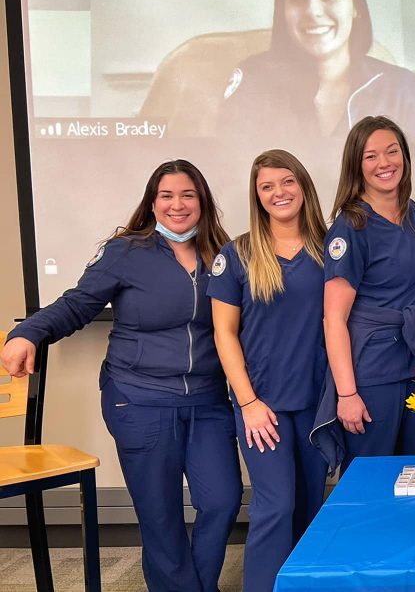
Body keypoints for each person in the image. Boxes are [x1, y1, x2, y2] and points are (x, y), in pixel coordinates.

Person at [1, 161, 241, 592]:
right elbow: (76, 304)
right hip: (139, 399)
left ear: (202, 200)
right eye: (166, 196)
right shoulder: (126, 252)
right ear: (152, 203)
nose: (177, 205)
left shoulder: (223, 255)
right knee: (161, 516)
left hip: (207, 402)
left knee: (223, 502)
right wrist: (29, 333)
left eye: (187, 194)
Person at [208, 150, 328, 592]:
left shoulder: (330, 248)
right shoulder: (237, 254)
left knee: (309, 507)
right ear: (257, 196)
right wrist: (249, 403)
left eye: (287, 182)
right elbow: (224, 334)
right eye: (267, 186)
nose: (279, 192)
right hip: (262, 406)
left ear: (303, 185)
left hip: (316, 403)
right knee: (275, 506)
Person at [311, 116, 415, 474]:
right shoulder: (351, 226)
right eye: (371, 156)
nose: (384, 163)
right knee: (373, 480)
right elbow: (333, 318)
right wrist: (347, 394)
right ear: (356, 165)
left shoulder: (412, 213)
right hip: (373, 372)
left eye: (392, 151)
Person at [220, 0, 415, 142]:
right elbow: (231, 170)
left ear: (356, 7)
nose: (313, 11)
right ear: (282, 13)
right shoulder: (253, 79)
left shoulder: (401, 87)